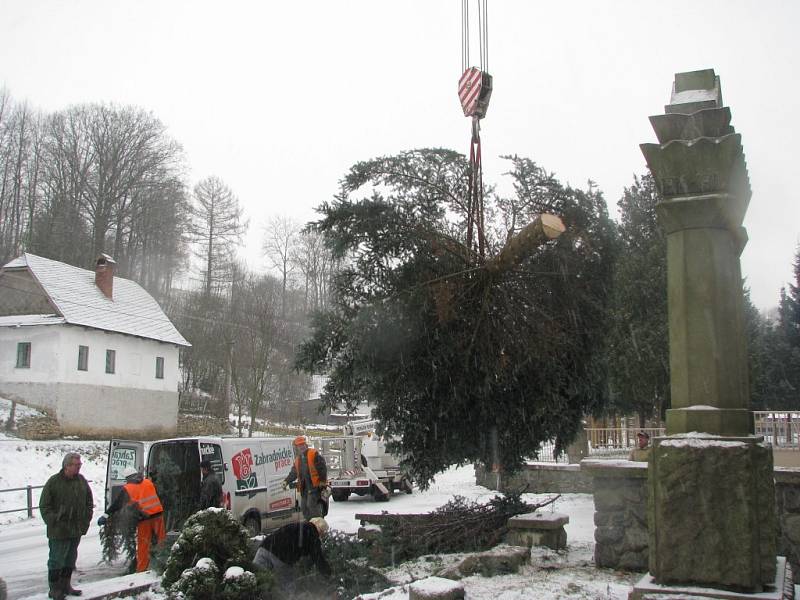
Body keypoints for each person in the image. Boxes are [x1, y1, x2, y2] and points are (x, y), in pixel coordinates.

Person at [39, 452, 93, 600]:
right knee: (56, 559)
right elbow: (44, 505)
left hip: (76, 529)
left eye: (80, 464)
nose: (79, 467)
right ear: (67, 465)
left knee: (70, 558)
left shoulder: (81, 480)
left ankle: (66, 586)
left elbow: (89, 501)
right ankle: (54, 589)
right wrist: (54, 520)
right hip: (59, 530)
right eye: (77, 465)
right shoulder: (54, 482)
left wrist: (86, 519)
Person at [97, 466, 166, 572]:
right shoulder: (148, 482)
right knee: (162, 541)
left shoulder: (128, 488)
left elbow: (117, 504)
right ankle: (166, 564)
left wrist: (106, 515)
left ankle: (142, 569)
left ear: (127, 478)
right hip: (158, 516)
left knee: (144, 545)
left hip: (145, 519)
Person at [253, 517, 331, 577]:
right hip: (281, 556)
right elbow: (318, 558)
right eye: (323, 534)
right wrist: (328, 574)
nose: (321, 536)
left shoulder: (296, 525)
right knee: (288, 588)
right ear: (320, 530)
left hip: (264, 547)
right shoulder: (312, 534)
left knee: (258, 579)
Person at [282, 436, 330, 519]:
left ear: (306, 445)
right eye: (299, 445)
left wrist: (322, 481)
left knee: (311, 505)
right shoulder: (298, 459)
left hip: (315, 486)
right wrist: (286, 481)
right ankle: (309, 526)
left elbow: (322, 468)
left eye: (302, 445)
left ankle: (317, 526)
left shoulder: (313, 454)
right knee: (304, 508)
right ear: (296, 447)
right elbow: (294, 473)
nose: (301, 447)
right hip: (305, 488)